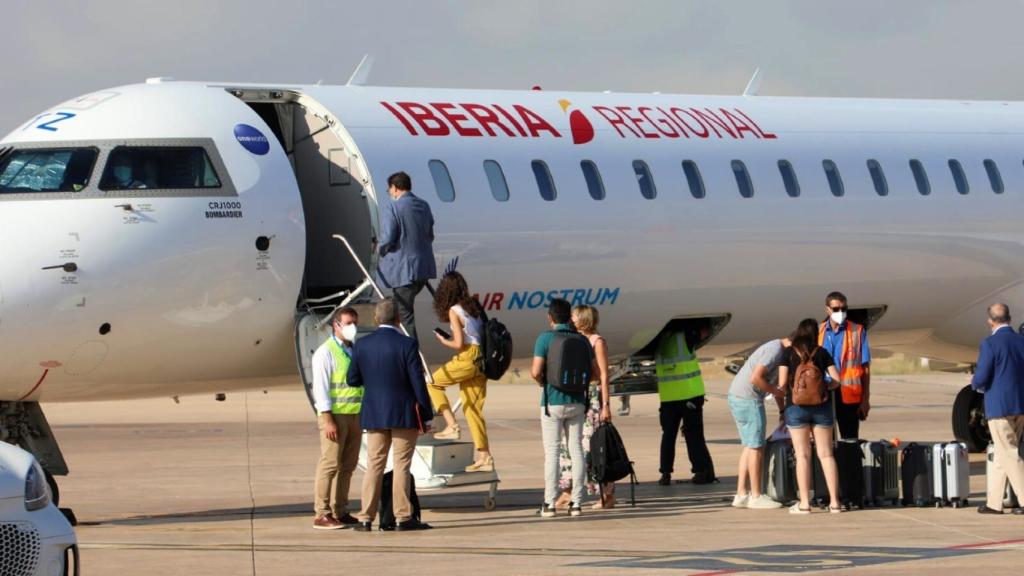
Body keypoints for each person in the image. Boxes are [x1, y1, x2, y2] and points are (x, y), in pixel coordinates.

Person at [347, 298, 434, 531]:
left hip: (375, 414)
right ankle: (402, 517)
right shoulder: (407, 344)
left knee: (375, 465)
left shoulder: (362, 345)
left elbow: (352, 379)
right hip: (403, 413)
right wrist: (427, 412)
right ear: (398, 319)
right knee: (402, 464)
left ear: (376, 319)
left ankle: (366, 517)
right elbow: (418, 383)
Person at [532, 298, 595, 517]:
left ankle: (549, 503)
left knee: (552, 452)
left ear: (550, 317)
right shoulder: (583, 340)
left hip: (552, 402)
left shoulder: (545, 339)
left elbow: (535, 371)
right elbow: (594, 373)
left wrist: (543, 382)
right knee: (576, 449)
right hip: (578, 402)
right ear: (570, 317)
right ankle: (576, 502)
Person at [428, 271, 493, 472]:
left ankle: (451, 425)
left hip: (468, 357)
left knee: (432, 382)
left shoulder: (454, 311)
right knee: (473, 410)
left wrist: (443, 340)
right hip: (482, 359)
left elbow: (458, 343)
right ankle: (485, 457)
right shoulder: (473, 306)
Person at [778, 318, 843, 514]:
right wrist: (825, 387)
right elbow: (837, 379)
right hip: (821, 407)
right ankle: (834, 502)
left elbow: (781, 384)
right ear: (816, 334)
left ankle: (805, 503)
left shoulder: (788, 354)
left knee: (802, 455)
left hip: (795, 407)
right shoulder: (822, 352)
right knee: (826, 454)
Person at [554, 305, 615, 510]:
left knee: (593, 446)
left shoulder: (597, 342)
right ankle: (567, 491)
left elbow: (604, 376)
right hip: (577, 397)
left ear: (583, 319)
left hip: (593, 398)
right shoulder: (575, 340)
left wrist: (606, 405)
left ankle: (607, 493)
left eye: (574, 316)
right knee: (568, 445)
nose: (570, 319)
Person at [310, 307, 363, 530]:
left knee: (348, 466)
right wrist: (327, 418)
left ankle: (341, 509)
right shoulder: (326, 352)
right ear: (336, 325)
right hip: (336, 416)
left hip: (355, 415)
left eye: (354, 323)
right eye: (348, 323)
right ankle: (322, 513)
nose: (352, 328)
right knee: (330, 464)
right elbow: (320, 389)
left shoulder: (353, 350)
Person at [971, 303, 1024, 516]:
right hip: (1020, 405)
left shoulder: (990, 343)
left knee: (1009, 453)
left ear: (990, 321)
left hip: (999, 407)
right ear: (1009, 318)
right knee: (1004, 454)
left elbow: (982, 377)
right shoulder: (1021, 341)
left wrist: (974, 382)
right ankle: (994, 502)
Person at [727, 337, 788, 510]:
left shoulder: (776, 349)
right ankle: (756, 495)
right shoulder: (776, 351)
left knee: (748, 446)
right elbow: (757, 378)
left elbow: (777, 386)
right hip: (749, 400)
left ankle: (741, 494)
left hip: (738, 396)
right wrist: (773, 390)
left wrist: (782, 410)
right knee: (756, 447)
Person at [376, 171, 436, 342]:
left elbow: (388, 238)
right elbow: (430, 235)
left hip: (404, 272)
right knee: (402, 312)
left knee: (404, 316)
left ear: (395, 188)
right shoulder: (424, 205)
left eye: (389, 190)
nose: (390, 193)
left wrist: (378, 249)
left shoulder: (393, 207)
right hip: (423, 269)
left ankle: (412, 356)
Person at [656, 325, 716, 486]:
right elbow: (706, 330)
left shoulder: (659, 340)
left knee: (668, 436)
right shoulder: (685, 336)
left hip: (668, 397)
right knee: (693, 435)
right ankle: (700, 471)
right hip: (689, 395)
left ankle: (665, 473)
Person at [817, 291, 871, 440]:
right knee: (826, 440)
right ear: (827, 310)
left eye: (844, 309)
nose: (840, 312)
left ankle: (850, 464)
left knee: (850, 440)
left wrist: (865, 399)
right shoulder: (818, 331)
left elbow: (865, 367)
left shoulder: (857, 331)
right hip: (824, 393)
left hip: (848, 394)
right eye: (835, 309)